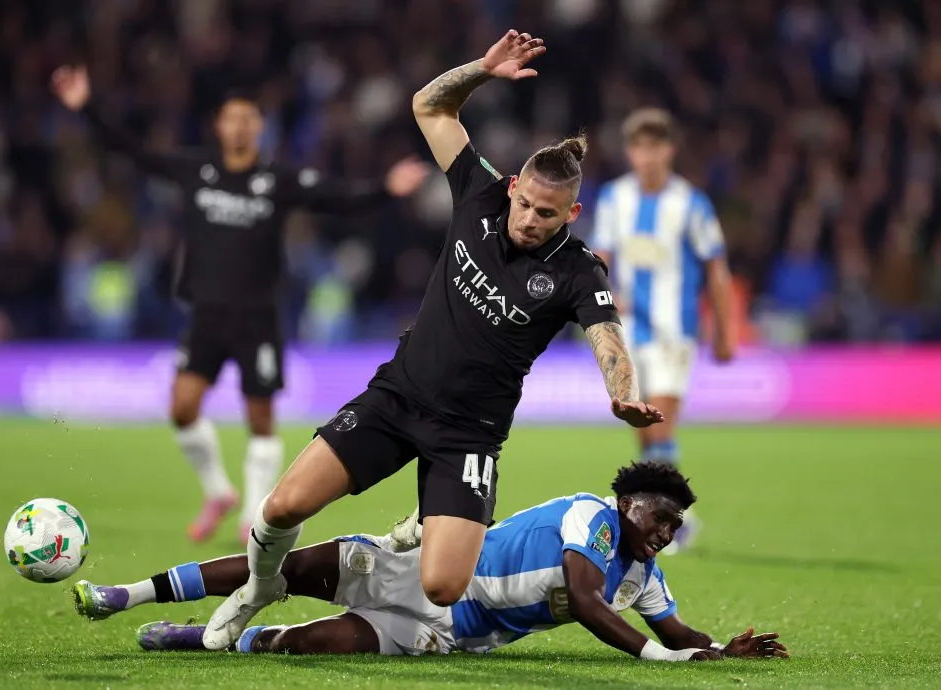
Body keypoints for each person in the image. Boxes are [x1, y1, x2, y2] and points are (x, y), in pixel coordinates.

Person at [197, 29, 664, 651]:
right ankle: (257, 591)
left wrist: (621, 393)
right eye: (523, 204)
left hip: (468, 435)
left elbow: (608, 336)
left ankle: (392, 546)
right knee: (280, 509)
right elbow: (430, 106)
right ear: (512, 188)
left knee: (444, 586)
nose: (528, 220)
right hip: (397, 398)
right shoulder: (477, 192)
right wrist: (483, 69)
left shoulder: (580, 269)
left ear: (571, 215)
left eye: (545, 214)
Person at [50, 67, 429, 545]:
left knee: (259, 419)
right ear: (219, 126)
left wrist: (385, 188)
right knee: (182, 407)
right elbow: (134, 152)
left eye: (250, 119)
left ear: (260, 127)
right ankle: (217, 491)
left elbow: (334, 196)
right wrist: (86, 106)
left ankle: (252, 512)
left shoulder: (276, 179)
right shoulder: (196, 170)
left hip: (257, 317)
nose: (241, 126)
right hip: (206, 316)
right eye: (233, 119)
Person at [72, 462, 787, 662]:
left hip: (450, 632)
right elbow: (584, 596)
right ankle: (127, 595)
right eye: (658, 518)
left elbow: (674, 629)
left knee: (315, 645)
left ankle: (203, 638)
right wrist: (655, 660)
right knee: (277, 569)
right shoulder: (588, 517)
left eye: (672, 527)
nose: (664, 534)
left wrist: (720, 649)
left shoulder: (642, 577)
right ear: (627, 503)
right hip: (419, 569)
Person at [591, 108, 735, 553]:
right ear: (630, 152)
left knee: (663, 427)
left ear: (669, 150)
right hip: (628, 329)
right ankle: (667, 517)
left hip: (675, 329)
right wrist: (601, 297)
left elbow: (716, 267)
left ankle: (668, 522)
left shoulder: (691, 204)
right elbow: (599, 259)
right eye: (639, 147)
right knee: (641, 427)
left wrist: (725, 329)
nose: (647, 155)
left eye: (655, 146)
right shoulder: (615, 200)